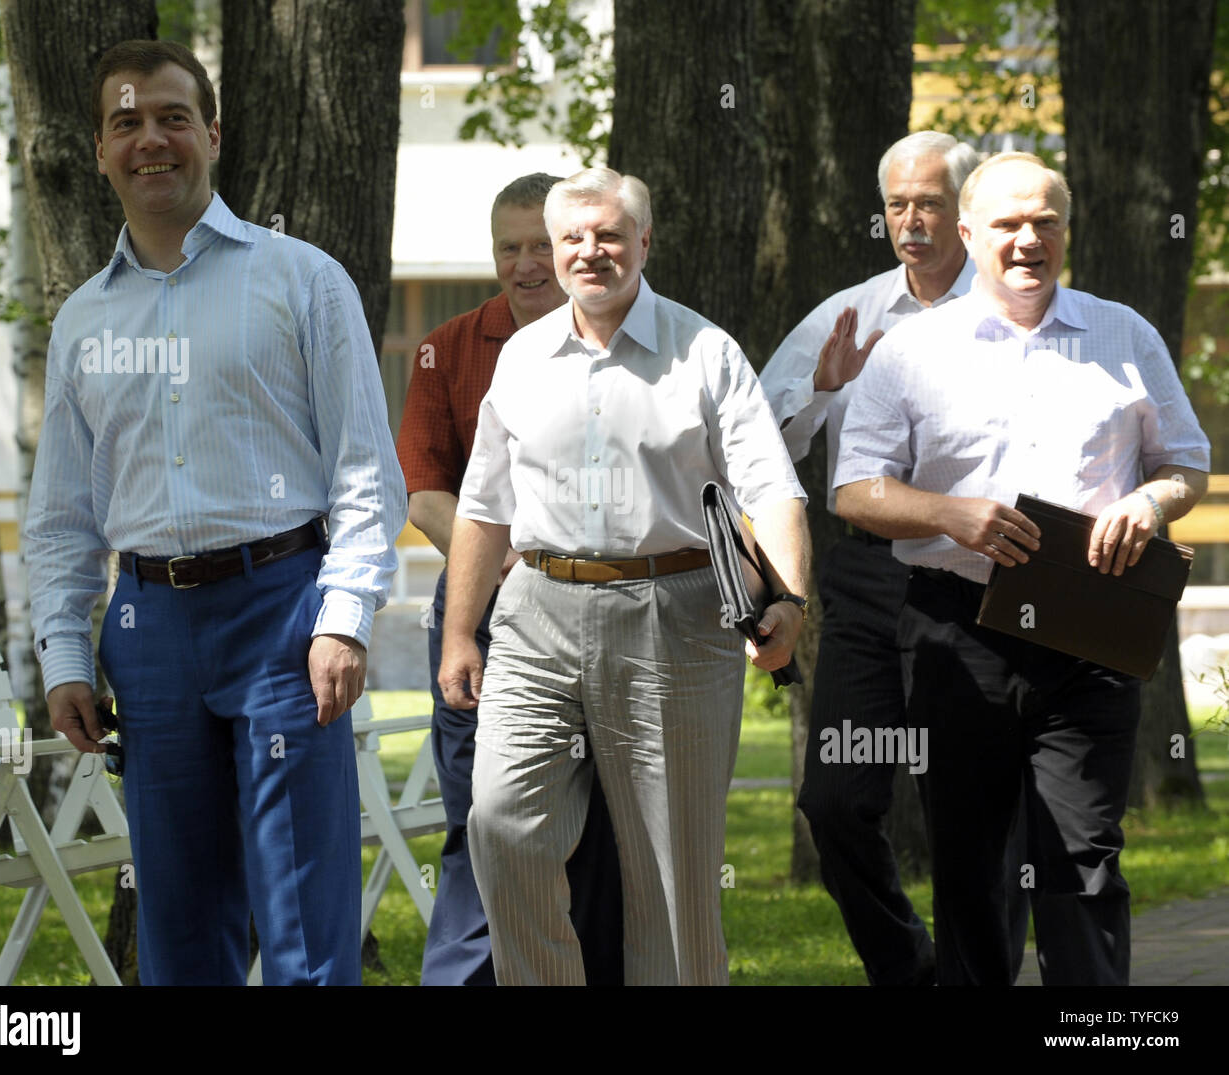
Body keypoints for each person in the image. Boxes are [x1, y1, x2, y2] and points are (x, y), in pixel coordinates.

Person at [22, 40, 405, 986]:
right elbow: (63, 514)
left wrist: (344, 618)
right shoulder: (82, 322)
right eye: (126, 122)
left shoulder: (301, 280)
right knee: (179, 924)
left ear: (212, 135)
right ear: (102, 149)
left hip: (284, 614)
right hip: (147, 631)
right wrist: (66, 653)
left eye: (171, 117)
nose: (150, 139)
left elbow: (365, 468)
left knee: (304, 917)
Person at [835, 152, 1210, 985]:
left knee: (1083, 858)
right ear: (967, 235)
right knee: (969, 868)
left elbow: (1187, 465)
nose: (1028, 239)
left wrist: (1147, 506)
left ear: (1065, 232)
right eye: (1008, 223)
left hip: (1090, 628)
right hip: (955, 631)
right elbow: (853, 488)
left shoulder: (1125, 333)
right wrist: (946, 513)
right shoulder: (909, 350)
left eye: (1045, 221)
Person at [437, 168, 812, 986]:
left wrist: (787, 599)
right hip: (534, 610)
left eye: (609, 235)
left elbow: (772, 488)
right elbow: (484, 504)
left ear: (645, 241)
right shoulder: (524, 357)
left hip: (670, 613)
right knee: (501, 826)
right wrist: (461, 630)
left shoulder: (705, 351)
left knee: (671, 876)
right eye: (572, 237)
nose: (588, 252)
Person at [760, 131, 990, 986]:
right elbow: (759, 447)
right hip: (869, 577)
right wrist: (821, 388)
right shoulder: (848, 313)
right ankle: (911, 969)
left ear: (963, 211)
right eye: (897, 205)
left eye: (929, 202)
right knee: (836, 800)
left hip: (978, 579)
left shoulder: (1010, 308)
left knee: (969, 807)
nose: (911, 221)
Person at [395, 172, 624, 986]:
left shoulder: (620, 341)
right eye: (509, 248)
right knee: (484, 821)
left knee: (599, 831)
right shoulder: (447, 347)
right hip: (480, 616)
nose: (527, 265)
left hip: (608, 614)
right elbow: (424, 493)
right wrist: (513, 557)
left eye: (541, 246)